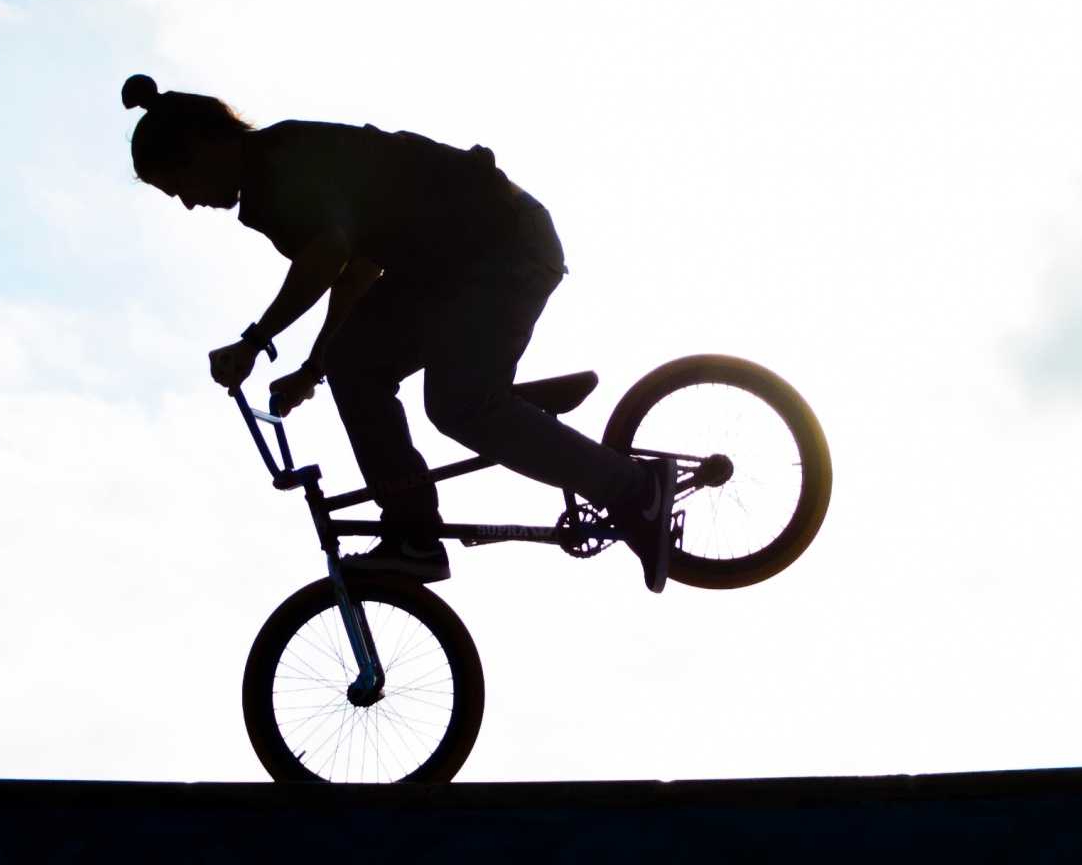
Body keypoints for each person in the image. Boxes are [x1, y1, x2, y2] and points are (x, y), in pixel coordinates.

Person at [121, 75, 676, 591]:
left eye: (177, 187)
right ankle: (413, 534)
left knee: (459, 404)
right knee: (352, 363)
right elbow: (357, 268)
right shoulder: (276, 169)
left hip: (502, 246)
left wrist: (253, 342)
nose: (188, 203)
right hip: (446, 267)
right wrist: (317, 367)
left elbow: (329, 256)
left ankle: (632, 489)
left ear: (197, 147)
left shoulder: (278, 165)